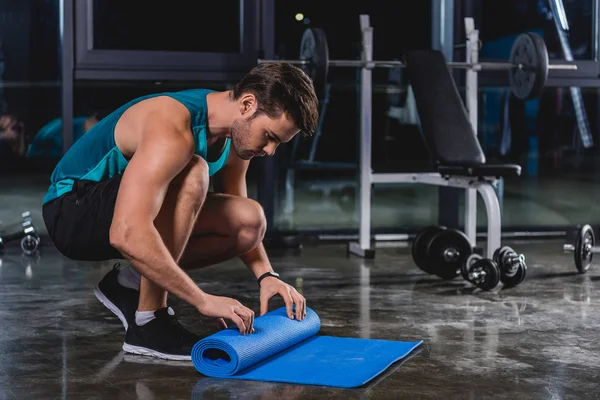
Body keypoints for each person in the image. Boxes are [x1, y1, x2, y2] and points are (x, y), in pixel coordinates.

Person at [41, 62, 320, 361]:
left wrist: (266, 275)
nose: (269, 151)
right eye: (270, 137)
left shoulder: (235, 136)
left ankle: (128, 283)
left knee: (248, 221)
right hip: (71, 210)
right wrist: (203, 300)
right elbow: (125, 233)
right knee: (193, 172)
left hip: (125, 214)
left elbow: (240, 220)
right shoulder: (172, 124)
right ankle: (148, 323)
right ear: (247, 104)